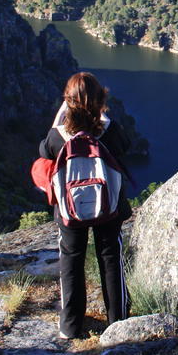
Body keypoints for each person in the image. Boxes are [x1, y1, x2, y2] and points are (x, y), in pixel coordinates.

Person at [39, 72, 133, 339]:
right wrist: (103, 116)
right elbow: (124, 146)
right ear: (100, 99)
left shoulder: (58, 136)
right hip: (108, 207)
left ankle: (70, 325)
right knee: (110, 259)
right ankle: (119, 322)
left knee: (71, 260)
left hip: (70, 210)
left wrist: (61, 115)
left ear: (67, 101)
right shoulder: (109, 132)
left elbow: (44, 151)